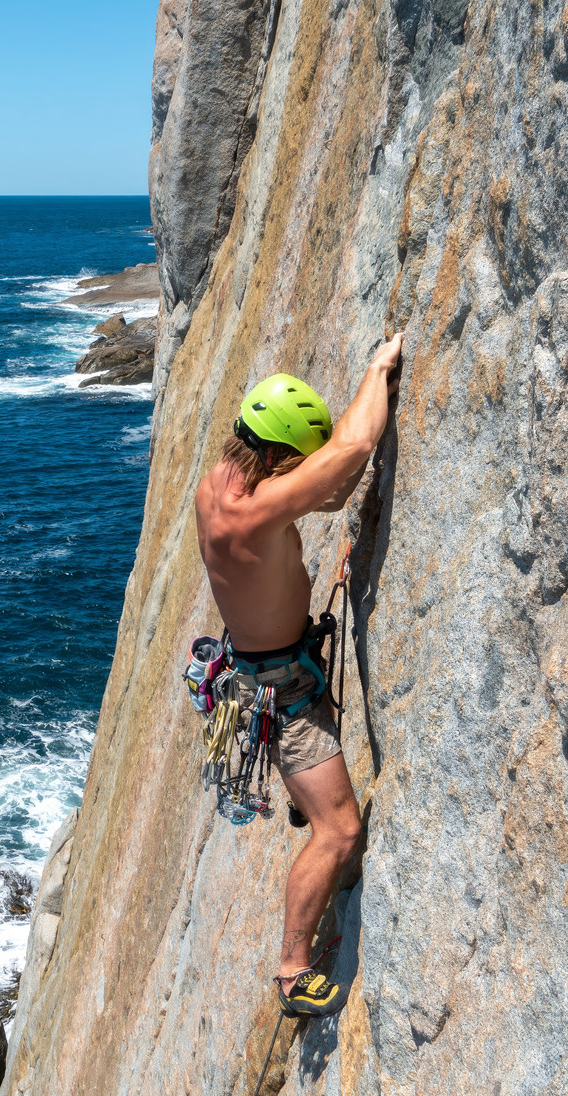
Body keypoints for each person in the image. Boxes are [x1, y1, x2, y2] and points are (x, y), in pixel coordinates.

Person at [192, 333, 402, 1017]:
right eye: (293, 462)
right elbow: (348, 458)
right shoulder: (256, 511)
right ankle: (291, 969)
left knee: (329, 819)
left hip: (264, 670)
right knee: (338, 828)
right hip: (285, 697)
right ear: (279, 458)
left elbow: (328, 486)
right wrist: (378, 367)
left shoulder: (217, 486)